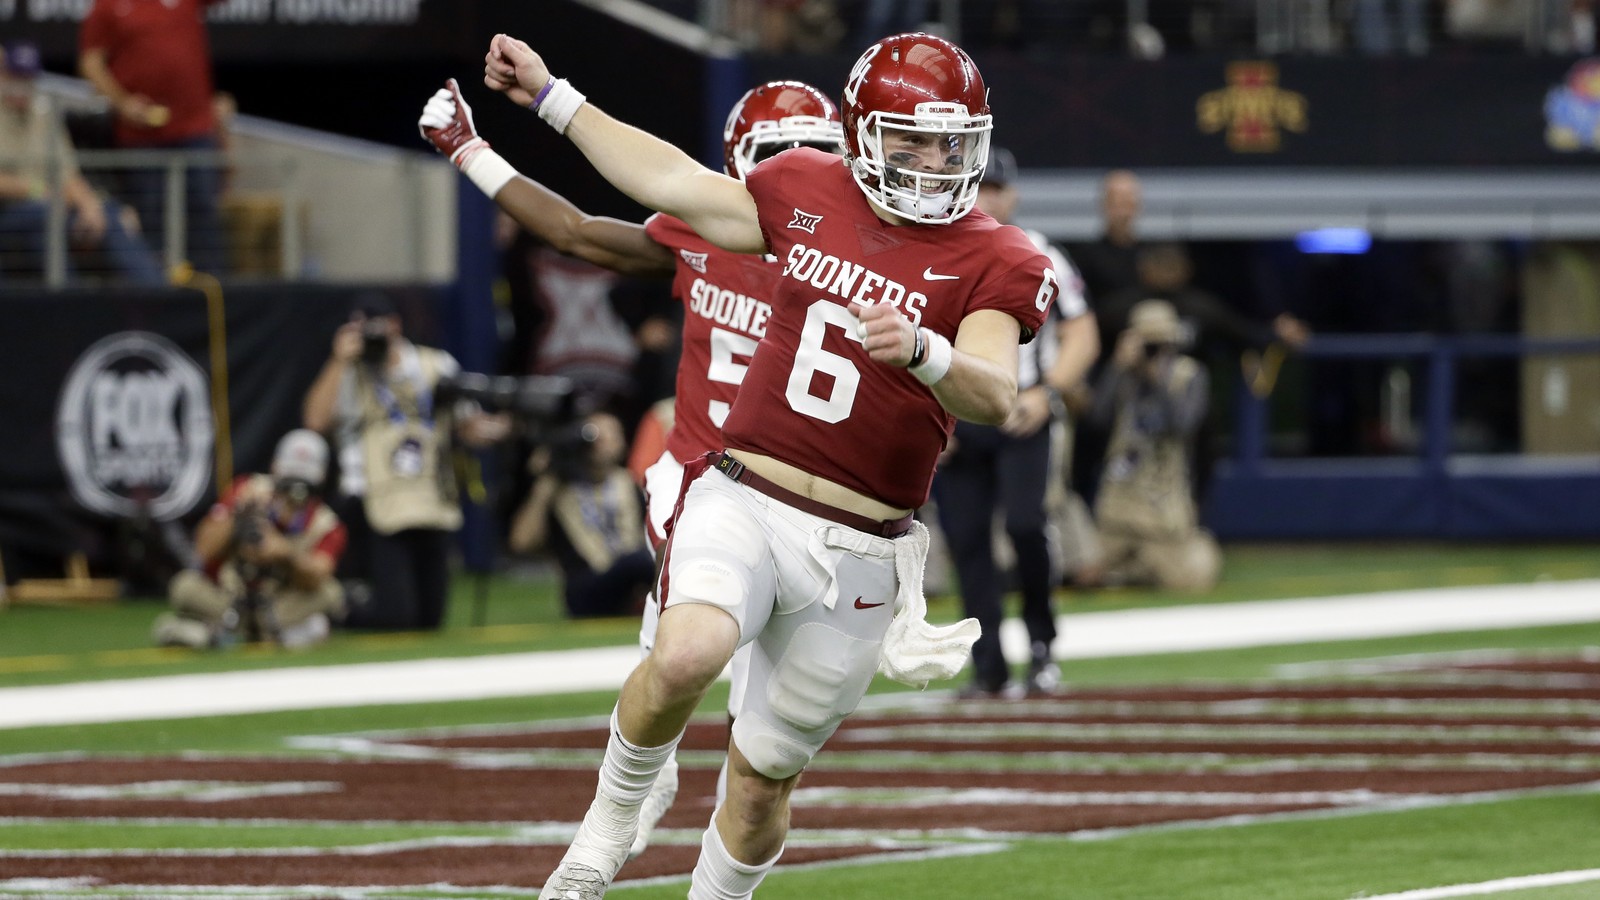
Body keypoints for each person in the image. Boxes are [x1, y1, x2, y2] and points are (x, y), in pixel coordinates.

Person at [481, 29, 1055, 898]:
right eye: (913, 139)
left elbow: (996, 394)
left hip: (863, 546)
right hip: (747, 490)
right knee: (685, 653)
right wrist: (555, 96)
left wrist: (926, 354)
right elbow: (668, 178)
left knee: (759, 787)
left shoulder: (1000, 256)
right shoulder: (803, 188)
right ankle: (604, 831)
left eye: (953, 141)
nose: (936, 160)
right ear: (862, 135)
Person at [418, 75, 846, 859]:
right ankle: (643, 771)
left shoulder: (862, 260)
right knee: (676, 658)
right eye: (779, 154)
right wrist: (470, 151)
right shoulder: (704, 233)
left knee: (763, 768)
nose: (797, 171)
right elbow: (578, 232)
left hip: (807, 502)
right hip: (705, 480)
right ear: (738, 167)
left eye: (816, 153)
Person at [932, 147, 1099, 700]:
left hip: (1021, 412)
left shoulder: (1039, 251)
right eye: (979, 187)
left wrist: (1047, 391)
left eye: (996, 189)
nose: (987, 199)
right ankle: (988, 666)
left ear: (1014, 194)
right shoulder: (933, 247)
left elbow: (1082, 332)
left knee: (1028, 526)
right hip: (956, 418)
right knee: (968, 541)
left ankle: (1042, 645)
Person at [301, 294, 511, 631]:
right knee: (397, 616)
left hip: (429, 493)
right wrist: (338, 361)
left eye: (371, 327)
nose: (367, 335)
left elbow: (467, 425)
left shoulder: (435, 364)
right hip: (374, 496)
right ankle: (340, 610)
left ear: (395, 325)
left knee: (430, 619)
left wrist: (501, 426)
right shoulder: (350, 371)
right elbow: (315, 420)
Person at [152, 429, 347, 649]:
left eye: (303, 488)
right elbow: (203, 549)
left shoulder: (326, 524)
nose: (293, 497)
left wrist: (285, 554)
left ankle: (217, 633)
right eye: (288, 485)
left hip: (281, 601)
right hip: (233, 597)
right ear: (275, 468)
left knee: (332, 593)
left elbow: (318, 575)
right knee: (184, 586)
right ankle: (281, 633)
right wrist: (238, 515)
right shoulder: (248, 490)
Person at [1079, 300, 1221, 592]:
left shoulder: (1189, 375)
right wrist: (1117, 368)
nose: (1155, 351)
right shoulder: (1122, 372)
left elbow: (1181, 427)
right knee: (1086, 573)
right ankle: (1128, 568)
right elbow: (1096, 420)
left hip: (1163, 505)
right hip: (1119, 502)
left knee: (1187, 581)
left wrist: (1159, 380)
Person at [79, 0, 227, 275]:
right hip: (140, 134)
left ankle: (214, 290)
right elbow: (90, 62)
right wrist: (122, 104)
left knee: (203, 209)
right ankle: (154, 292)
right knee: (149, 215)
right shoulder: (108, 5)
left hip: (194, 127)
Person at [0, 40, 162, 285]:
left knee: (112, 214)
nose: (21, 85)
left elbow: (68, 173)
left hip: (53, 205)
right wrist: (39, 191)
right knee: (44, 215)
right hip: (12, 213)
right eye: (15, 76)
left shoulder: (43, 114)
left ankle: (159, 296)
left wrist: (89, 204)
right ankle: (73, 303)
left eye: (27, 77)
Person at [509, 412, 656, 619]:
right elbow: (521, 542)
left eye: (612, 435)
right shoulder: (559, 486)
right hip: (586, 586)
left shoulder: (628, 483)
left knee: (643, 559)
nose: (603, 443)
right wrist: (544, 484)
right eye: (595, 435)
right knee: (636, 561)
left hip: (630, 577)